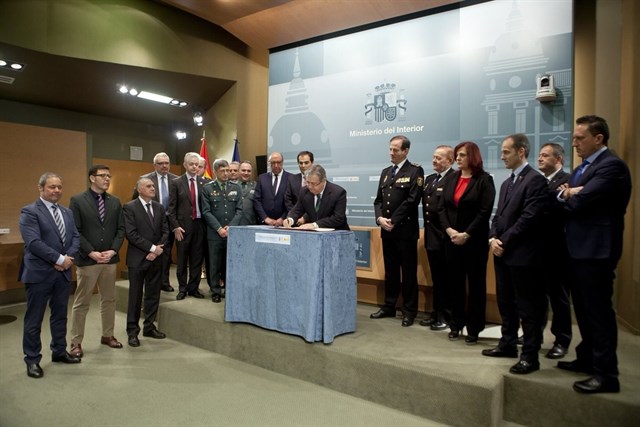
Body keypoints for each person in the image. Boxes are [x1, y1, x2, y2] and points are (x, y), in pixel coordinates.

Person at [556, 115, 631, 394]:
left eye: (579, 138)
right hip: (577, 249)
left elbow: (581, 201)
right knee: (584, 311)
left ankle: (606, 374)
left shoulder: (612, 166)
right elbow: (564, 196)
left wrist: (572, 195)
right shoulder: (581, 169)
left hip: (597, 251)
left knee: (598, 312)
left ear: (598, 138)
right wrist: (570, 193)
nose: (574, 142)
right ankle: (587, 358)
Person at [483, 134, 549, 375]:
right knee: (505, 303)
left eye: (506, 151)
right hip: (502, 253)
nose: (502, 156)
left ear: (521, 152)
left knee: (527, 308)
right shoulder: (506, 183)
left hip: (523, 256)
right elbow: (498, 216)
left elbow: (529, 219)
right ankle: (507, 344)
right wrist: (492, 237)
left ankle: (530, 356)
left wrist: (503, 240)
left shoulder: (535, 180)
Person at [19, 172, 81, 378]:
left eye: (59, 187)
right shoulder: (29, 211)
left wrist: (68, 258)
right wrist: (59, 260)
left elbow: (75, 237)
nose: (56, 190)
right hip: (39, 273)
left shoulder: (67, 212)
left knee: (60, 316)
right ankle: (32, 359)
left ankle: (59, 351)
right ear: (41, 188)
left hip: (62, 274)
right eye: (51, 187)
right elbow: (33, 243)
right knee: (34, 319)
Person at [438, 141, 495, 343]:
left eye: (462, 155)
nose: (458, 159)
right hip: (451, 240)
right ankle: (456, 323)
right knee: (455, 283)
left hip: (474, 242)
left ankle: (474, 327)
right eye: (457, 155)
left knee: (476, 285)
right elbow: (442, 208)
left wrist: (466, 234)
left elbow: (484, 212)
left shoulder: (484, 180)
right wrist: (449, 230)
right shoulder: (452, 178)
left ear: (472, 157)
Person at [68, 165, 125, 358]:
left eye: (109, 176)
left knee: (109, 300)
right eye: (103, 176)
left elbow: (120, 230)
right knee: (82, 302)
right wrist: (91, 252)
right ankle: (76, 342)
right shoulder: (77, 200)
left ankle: (107, 335)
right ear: (92, 178)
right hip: (88, 260)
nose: (107, 179)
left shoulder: (115, 202)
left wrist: (113, 250)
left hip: (109, 259)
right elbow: (75, 230)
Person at [371, 135, 424, 327]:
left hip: (405, 232)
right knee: (391, 272)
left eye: (395, 150)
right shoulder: (386, 172)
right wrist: (380, 219)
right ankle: (389, 306)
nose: (391, 153)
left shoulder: (415, 171)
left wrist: (393, 220)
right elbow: (378, 200)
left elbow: (412, 200)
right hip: (387, 231)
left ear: (406, 151)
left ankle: (409, 311)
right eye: (390, 149)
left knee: (408, 273)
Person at [123, 177, 169, 346]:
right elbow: (131, 234)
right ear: (139, 189)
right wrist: (151, 249)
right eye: (148, 186)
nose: (152, 188)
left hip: (156, 258)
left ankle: (149, 327)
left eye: (153, 186)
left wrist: (157, 251)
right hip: (138, 259)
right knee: (135, 297)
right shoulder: (129, 207)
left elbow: (166, 231)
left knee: (153, 295)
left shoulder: (159, 207)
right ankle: (132, 332)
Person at [537, 142, 572, 359]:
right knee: (537, 296)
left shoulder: (567, 181)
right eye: (540, 155)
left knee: (559, 297)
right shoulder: (539, 181)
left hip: (558, 248)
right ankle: (535, 334)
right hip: (537, 248)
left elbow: (559, 208)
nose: (540, 158)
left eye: (545, 155)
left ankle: (562, 339)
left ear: (558, 159)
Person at [420, 145, 455, 331]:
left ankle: (446, 315)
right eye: (434, 157)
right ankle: (436, 313)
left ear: (450, 160)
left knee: (446, 279)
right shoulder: (431, 179)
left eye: (439, 158)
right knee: (437, 278)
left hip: (445, 237)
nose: (435, 161)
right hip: (431, 235)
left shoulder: (454, 178)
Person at [132, 152, 178, 292]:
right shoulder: (145, 179)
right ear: (154, 165)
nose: (164, 166)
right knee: (151, 253)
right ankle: (151, 283)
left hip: (169, 224)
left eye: (167, 163)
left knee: (166, 254)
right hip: (149, 223)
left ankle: (164, 282)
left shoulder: (176, 180)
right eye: (161, 163)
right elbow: (135, 201)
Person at [202, 159, 243, 303]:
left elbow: (239, 210)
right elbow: (206, 212)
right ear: (215, 171)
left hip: (231, 233)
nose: (226, 173)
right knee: (214, 263)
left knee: (229, 262)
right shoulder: (207, 188)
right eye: (223, 171)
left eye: (228, 170)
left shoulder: (235, 188)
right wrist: (219, 228)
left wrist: (231, 226)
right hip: (214, 233)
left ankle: (228, 287)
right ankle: (215, 291)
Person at [168, 152, 207, 300]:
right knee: (182, 260)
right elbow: (171, 209)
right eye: (191, 164)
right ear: (185, 165)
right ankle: (182, 288)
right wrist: (175, 227)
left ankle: (194, 288)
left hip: (199, 226)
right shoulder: (176, 183)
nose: (194, 167)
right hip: (182, 228)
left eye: (197, 165)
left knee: (197, 259)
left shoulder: (204, 183)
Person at [284, 164, 349, 230]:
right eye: (308, 182)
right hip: (315, 235)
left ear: (323, 181)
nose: (310, 187)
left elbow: (338, 218)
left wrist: (315, 225)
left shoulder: (338, 193)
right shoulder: (304, 191)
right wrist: (290, 220)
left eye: (314, 184)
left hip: (338, 234)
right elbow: (297, 210)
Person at [253, 152, 292, 226]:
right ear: (269, 163)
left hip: (285, 223)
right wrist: (265, 218)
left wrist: (283, 218)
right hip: (265, 223)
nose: (276, 165)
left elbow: (292, 202)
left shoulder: (291, 178)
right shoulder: (262, 178)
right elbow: (257, 200)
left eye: (278, 162)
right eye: (273, 163)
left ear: (282, 162)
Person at [284, 150, 314, 218]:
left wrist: (305, 217)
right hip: (295, 219)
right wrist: (295, 215)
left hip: (313, 219)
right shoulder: (292, 179)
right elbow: (288, 200)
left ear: (312, 163)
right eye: (301, 163)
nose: (303, 166)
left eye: (306, 163)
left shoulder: (319, 180)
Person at [238, 160, 258, 225]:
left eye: (249, 171)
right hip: (235, 225)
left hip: (251, 224)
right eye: (243, 170)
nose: (246, 173)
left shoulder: (257, 186)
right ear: (238, 171)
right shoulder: (231, 186)